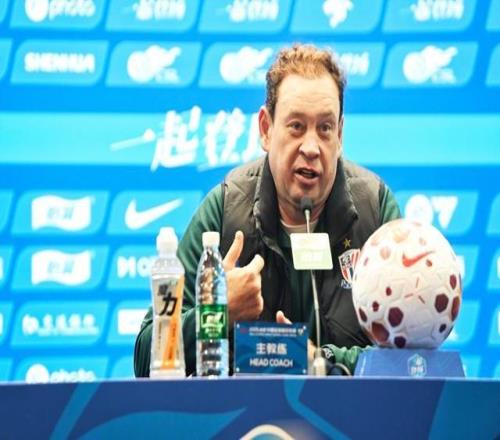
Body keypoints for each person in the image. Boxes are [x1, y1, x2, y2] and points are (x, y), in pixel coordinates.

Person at [134, 44, 400, 377]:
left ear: (340, 134)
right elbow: (147, 356)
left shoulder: (376, 211)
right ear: (265, 129)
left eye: (325, 128)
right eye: (296, 126)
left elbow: (410, 360)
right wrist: (216, 313)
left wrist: (319, 360)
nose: (311, 147)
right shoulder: (225, 209)